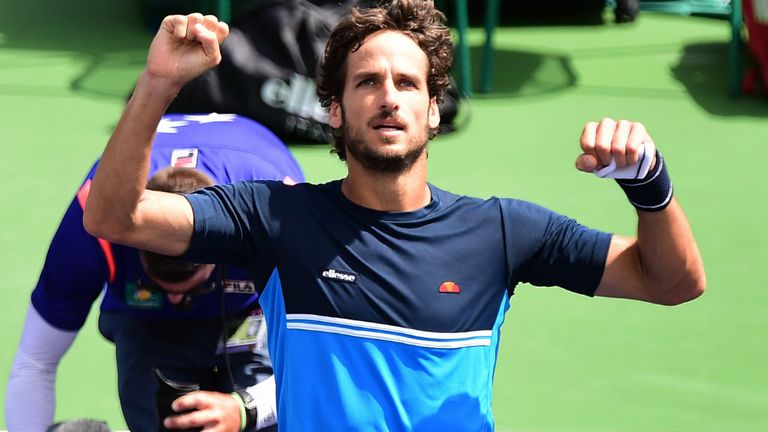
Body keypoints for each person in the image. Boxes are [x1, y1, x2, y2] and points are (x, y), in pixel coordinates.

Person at [83, 1, 706, 430]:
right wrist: (159, 84)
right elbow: (116, 217)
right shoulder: (274, 217)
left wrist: (648, 182)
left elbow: (673, 281)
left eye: (408, 83)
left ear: (434, 110)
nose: (388, 97)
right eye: (367, 82)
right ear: (334, 111)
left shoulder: (502, 233)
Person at [6, 113, 305, 432]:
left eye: (188, 286)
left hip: (249, 308)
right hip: (145, 320)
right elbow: (35, 362)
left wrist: (246, 410)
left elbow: (317, 372)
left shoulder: (278, 214)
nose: (176, 298)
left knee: (283, 421)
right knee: (158, 421)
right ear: (131, 240)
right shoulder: (97, 219)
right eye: (162, 283)